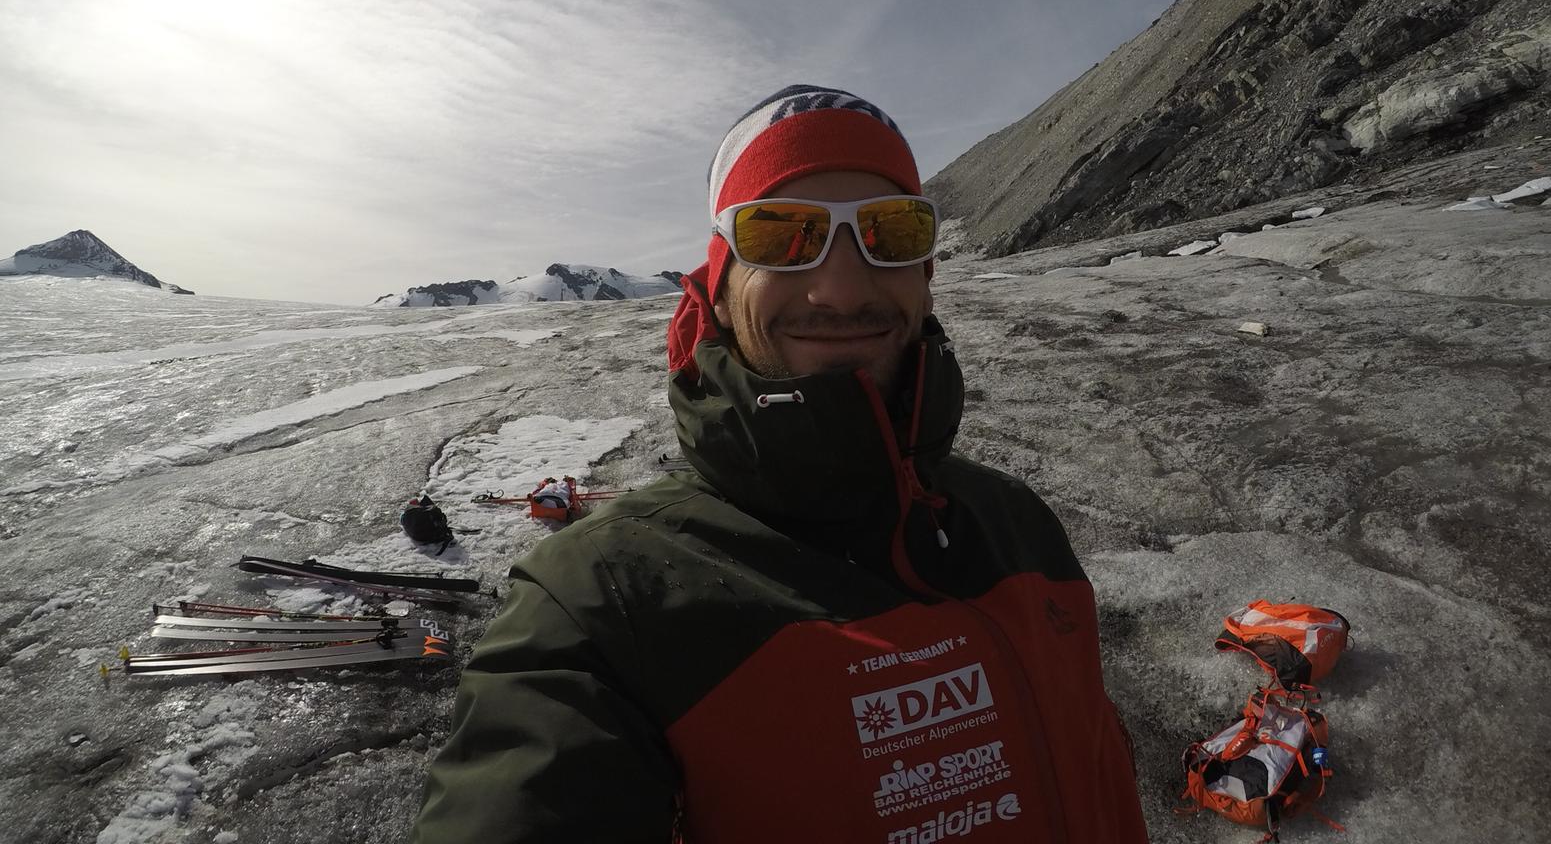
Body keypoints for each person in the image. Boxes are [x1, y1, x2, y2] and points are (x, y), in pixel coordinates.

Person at [411, 84, 1148, 843]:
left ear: (925, 273)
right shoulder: (603, 610)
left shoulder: (1019, 525)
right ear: (721, 292)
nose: (838, 289)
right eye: (781, 234)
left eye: (889, 233)